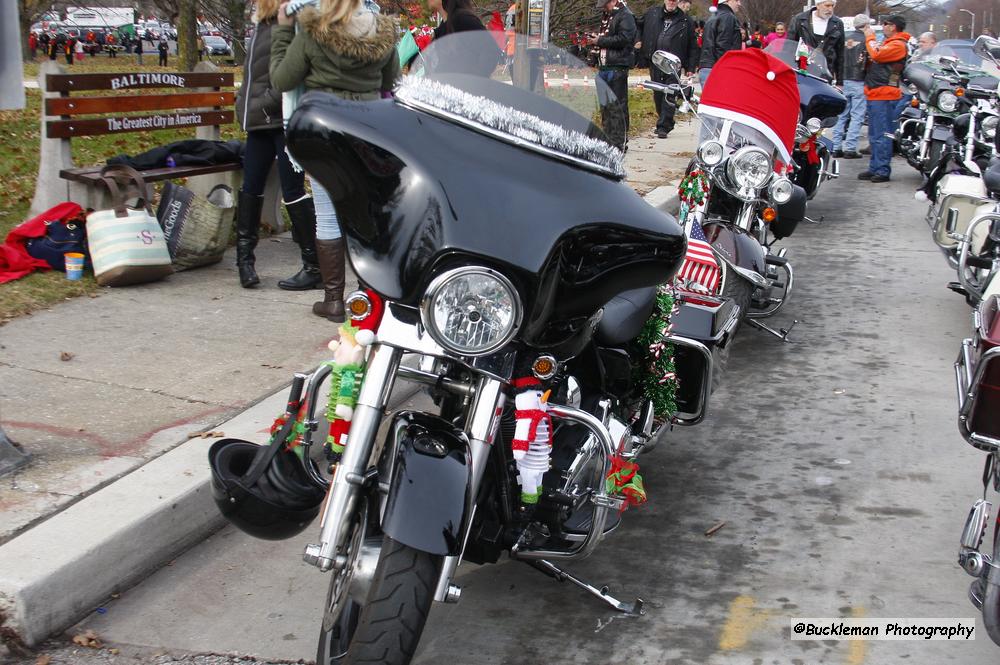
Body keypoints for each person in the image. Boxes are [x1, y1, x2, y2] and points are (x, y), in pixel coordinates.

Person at [271, 0, 400, 321]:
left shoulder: (313, 30)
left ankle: (333, 301)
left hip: (324, 135)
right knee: (365, 216)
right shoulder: (383, 31)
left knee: (328, 215)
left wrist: (283, 31)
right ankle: (368, 298)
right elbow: (390, 82)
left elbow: (282, 80)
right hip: (369, 135)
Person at [232, 0, 322, 292]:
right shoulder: (261, 24)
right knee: (251, 186)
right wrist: (243, 104)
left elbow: (291, 70)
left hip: (280, 119)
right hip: (259, 121)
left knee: (293, 189)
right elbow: (252, 74)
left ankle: (313, 263)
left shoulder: (291, 19)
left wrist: (264, 102)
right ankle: (244, 261)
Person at [858, 14, 910, 183]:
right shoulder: (891, 43)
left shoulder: (898, 45)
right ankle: (875, 167)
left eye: (886, 24)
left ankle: (882, 169)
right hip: (876, 92)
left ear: (893, 26)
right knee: (874, 134)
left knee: (881, 134)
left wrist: (869, 36)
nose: (884, 26)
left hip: (884, 94)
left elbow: (878, 54)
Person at [637, 0, 698, 138]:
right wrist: (638, 42)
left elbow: (692, 45)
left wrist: (690, 66)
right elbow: (638, 26)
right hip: (656, 60)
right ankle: (662, 119)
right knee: (658, 92)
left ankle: (665, 125)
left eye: (674, 0)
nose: (671, 2)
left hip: (674, 63)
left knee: (671, 91)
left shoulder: (686, 21)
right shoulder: (652, 14)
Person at [585, 0, 636, 150]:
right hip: (604, 66)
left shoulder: (625, 15)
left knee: (618, 105)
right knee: (605, 106)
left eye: (606, 5)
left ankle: (619, 140)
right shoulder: (607, 17)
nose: (604, 9)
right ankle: (608, 137)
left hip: (617, 66)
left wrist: (600, 40)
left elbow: (625, 39)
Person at [831, 14, 868, 159]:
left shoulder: (844, 37)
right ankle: (850, 148)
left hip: (843, 79)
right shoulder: (867, 39)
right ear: (865, 25)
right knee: (857, 115)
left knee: (842, 115)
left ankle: (836, 146)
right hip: (859, 79)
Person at [788, 0, 845, 87]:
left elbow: (840, 53)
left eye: (832, 6)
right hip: (803, 71)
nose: (830, 9)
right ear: (818, 5)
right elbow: (789, 47)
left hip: (826, 73)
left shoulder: (837, 24)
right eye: (827, 5)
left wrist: (840, 82)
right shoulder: (800, 20)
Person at [698, 0, 741, 86]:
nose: (739, 4)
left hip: (706, 66)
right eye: (737, 0)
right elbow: (723, 46)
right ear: (727, 1)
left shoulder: (713, 17)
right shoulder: (728, 17)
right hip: (718, 69)